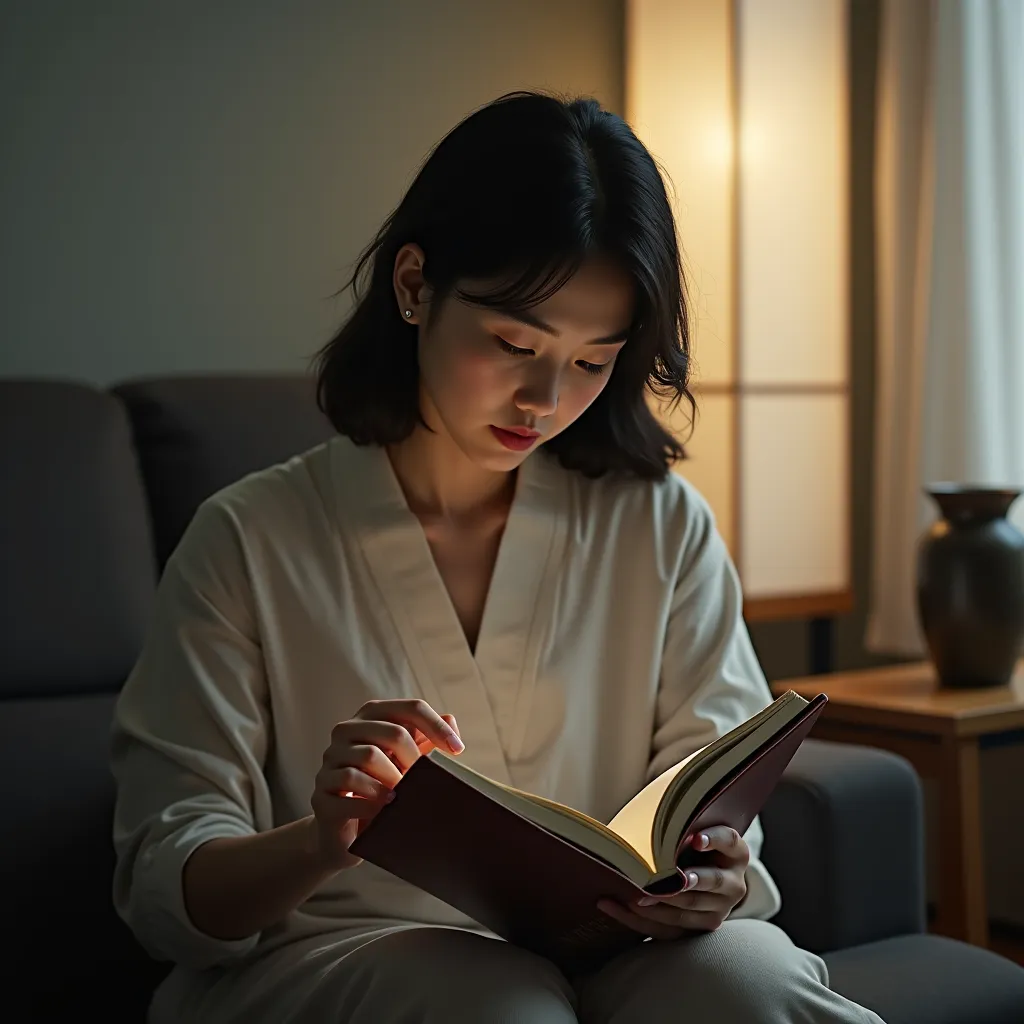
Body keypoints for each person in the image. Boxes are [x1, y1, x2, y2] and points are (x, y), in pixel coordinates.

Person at [111, 91, 884, 1023]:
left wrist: (711, 879)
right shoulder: (250, 539)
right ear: (412, 285)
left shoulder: (660, 524)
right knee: (495, 1006)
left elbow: (712, 796)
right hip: (339, 959)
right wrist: (326, 839)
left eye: (594, 361)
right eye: (513, 343)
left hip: (617, 952)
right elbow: (169, 885)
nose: (545, 399)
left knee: (750, 985)